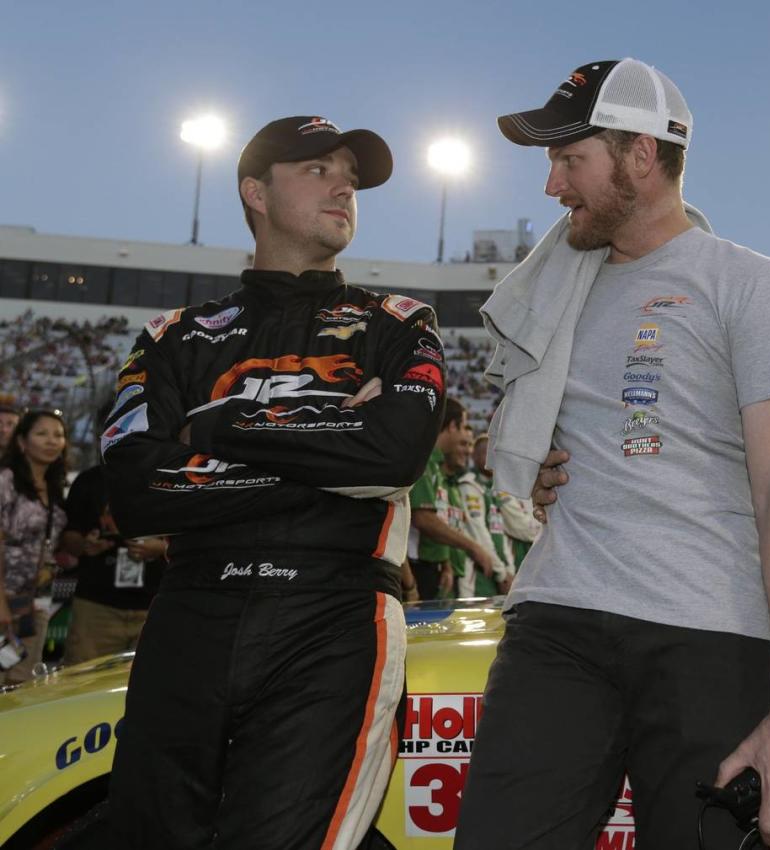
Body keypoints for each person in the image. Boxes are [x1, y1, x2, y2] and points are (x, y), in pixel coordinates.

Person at [455, 60, 770, 850]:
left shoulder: (747, 281)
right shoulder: (555, 291)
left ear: (639, 155)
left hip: (708, 635)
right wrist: (537, 458)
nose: (552, 186)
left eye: (571, 160)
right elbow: (540, 431)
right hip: (557, 619)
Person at [100, 115, 444, 850]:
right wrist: (328, 452)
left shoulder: (401, 323)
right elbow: (132, 491)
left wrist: (219, 427)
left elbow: (392, 458)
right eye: (318, 169)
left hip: (335, 619)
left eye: (349, 173)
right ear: (255, 191)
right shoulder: (172, 335)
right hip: (190, 614)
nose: (345, 184)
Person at [60, 462, 167, 664]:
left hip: (157, 605)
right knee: (83, 684)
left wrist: (161, 548)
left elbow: (197, 539)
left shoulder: (174, 474)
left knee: (153, 687)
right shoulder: (89, 480)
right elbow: (68, 536)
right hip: (97, 606)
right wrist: (85, 544)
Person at [0, 409, 68, 684]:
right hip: (4, 601)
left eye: (58, 435)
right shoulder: (6, 480)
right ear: (22, 442)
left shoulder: (53, 485)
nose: (52, 441)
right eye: (42, 434)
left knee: (23, 687)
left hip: (32, 604)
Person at [408, 398, 496, 600]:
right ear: (452, 426)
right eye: (463, 428)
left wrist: (446, 564)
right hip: (418, 568)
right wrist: (473, 547)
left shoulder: (437, 465)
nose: (468, 448)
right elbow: (424, 519)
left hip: (437, 570)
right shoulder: (424, 458)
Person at [456, 432, 513, 597]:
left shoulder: (493, 488)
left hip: (499, 574)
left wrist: (509, 571)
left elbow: (501, 534)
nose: (491, 459)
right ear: (474, 456)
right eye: (485, 453)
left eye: (495, 454)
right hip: (479, 576)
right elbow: (478, 533)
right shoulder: (469, 484)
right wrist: (501, 573)